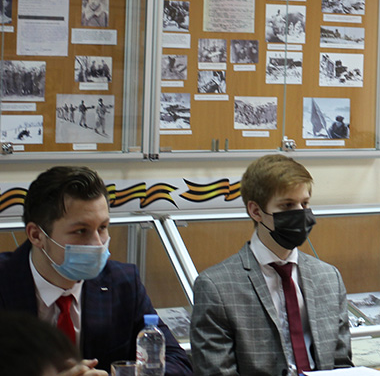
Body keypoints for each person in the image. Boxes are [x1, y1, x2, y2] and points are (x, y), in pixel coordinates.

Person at [0, 166, 191, 375]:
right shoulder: (5, 281)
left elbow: (178, 363)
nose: (98, 243)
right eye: (80, 231)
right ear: (36, 235)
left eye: (102, 227)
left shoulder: (123, 283)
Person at [190, 154, 352, 376]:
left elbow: (342, 365)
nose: (301, 213)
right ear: (256, 211)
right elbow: (216, 372)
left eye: (305, 203)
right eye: (287, 205)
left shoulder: (328, 277)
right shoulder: (216, 287)